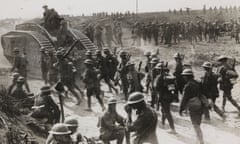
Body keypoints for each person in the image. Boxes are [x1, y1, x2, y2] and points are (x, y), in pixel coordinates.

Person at [179, 69, 204, 144]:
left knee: (195, 124)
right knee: (198, 123)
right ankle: (198, 139)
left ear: (187, 77)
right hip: (200, 104)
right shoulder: (198, 83)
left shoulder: (188, 86)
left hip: (193, 105)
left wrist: (181, 109)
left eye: (184, 76)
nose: (183, 78)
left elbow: (184, 98)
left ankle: (201, 141)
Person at [154, 63, 177, 134]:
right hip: (168, 97)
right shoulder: (169, 77)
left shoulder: (159, 77)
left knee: (167, 112)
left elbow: (156, 88)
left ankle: (172, 128)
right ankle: (163, 123)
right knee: (164, 110)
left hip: (163, 97)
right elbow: (173, 88)